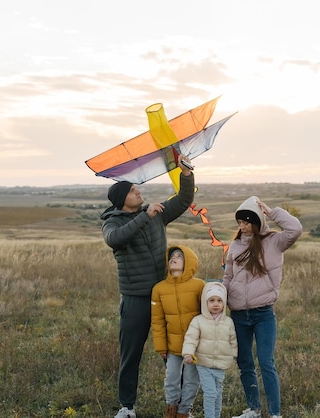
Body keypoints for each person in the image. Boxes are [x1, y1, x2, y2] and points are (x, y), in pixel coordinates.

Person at [101, 156, 195, 418]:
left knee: (175, 353)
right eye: (132, 190)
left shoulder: (154, 215)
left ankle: (181, 407)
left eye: (136, 188)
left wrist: (186, 175)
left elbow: (183, 201)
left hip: (165, 295)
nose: (138, 191)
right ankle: (127, 407)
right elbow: (115, 239)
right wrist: (146, 216)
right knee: (130, 355)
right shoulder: (113, 222)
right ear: (122, 200)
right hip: (135, 300)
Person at [222, 196, 302, 418]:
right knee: (245, 362)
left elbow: (295, 229)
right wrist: (220, 295)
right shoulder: (235, 246)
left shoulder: (274, 241)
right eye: (240, 222)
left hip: (263, 314)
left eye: (247, 222)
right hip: (238, 314)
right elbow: (228, 276)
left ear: (257, 221)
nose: (243, 226)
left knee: (266, 362)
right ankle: (253, 409)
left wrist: (273, 212)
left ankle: (275, 413)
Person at [151, 246, 206, 418]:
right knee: (171, 379)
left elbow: (206, 315)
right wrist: (161, 347)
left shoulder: (199, 285)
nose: (173, 258)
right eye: (171, 256)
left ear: (188, 262)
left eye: (179, 256)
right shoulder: (159, 289)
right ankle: (171, 410)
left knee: (191, 380)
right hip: (172, 346)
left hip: (195, 346)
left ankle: (184, 412)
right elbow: (157, 321)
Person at [182, 282, 238, 418]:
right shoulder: (198, 321)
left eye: (219, 300)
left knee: (218, 392)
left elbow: (232, 340)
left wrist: (234, 356)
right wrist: (188, 353)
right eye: (211, 300)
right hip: (204, 363)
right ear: (205, 303)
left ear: (224, 303)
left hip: (221, 364)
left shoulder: (228, 322)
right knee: (210, 392)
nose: (216, 304)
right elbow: (191, 338)